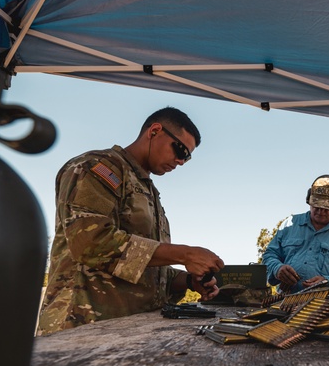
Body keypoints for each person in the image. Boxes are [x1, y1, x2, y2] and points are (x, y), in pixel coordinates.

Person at [37, 107, 224, 334]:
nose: (181, 161)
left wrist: (187, 281)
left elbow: (147, 268)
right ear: (154, 131)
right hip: (82, 328)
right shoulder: (97, 168)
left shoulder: (147, 190)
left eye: (187, 156)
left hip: (128, 331)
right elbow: (91, 244)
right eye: (180, 149)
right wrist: (184, 254)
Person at [262, 175, 329, 293]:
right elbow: (269, 255)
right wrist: (277, 268)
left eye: (326, 208)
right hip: (284, 302)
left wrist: (328, 281)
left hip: (327, 304)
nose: (321, 211)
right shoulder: (290, 224)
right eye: (316, 206)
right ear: (308, 200)